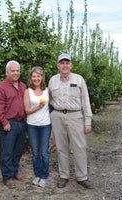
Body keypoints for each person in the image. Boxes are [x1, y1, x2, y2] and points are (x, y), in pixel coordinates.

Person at [48, 53, 93, 189]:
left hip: (75, 116)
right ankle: (64, 176)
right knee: (61, 148)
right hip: (57, 115)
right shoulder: (52, 80)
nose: (65, 65)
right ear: (58, 66)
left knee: (79, 147)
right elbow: (48, 101)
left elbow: (86, 101)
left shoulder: (79, 79)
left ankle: (82, 177)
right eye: (62, 63)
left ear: (71, 65)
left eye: (67, 63)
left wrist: (88, 121)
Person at [0, 60, 26, 189]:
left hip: (21, 123)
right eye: (13, 71)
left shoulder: (23, 86)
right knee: (7, 152)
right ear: (7, 72)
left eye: (17, 70)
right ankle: (7, 176)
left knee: (18, 150)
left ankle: (15, 171)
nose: (16, 73)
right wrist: (4, 122)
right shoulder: (0, 87)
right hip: (8, 124)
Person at [23, 66, 51, 187]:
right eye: (34, 76)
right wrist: (38, 107)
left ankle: (44, 176)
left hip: (45, 125)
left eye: (38, 76)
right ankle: (37, 175)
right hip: (32, 125)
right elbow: (27, 110)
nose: (36, 78)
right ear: (31, 78)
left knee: (44, 152)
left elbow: (52, 104)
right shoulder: (27, 91)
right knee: (35, 153)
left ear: (42, 77)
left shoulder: (47, 90)